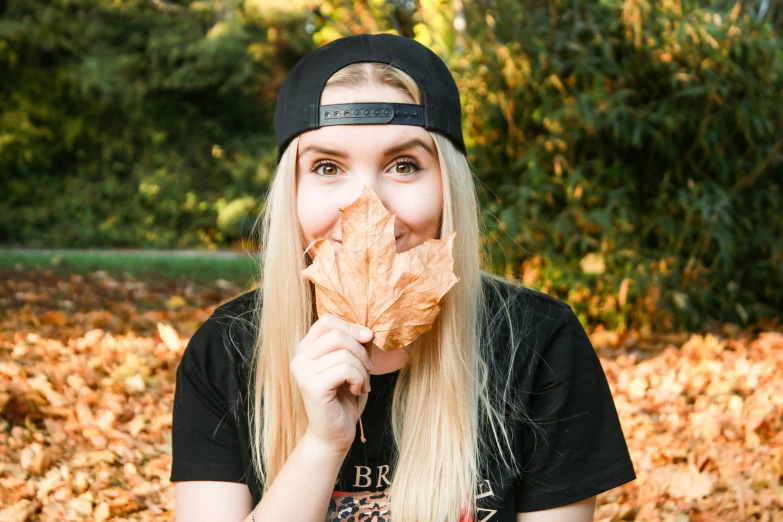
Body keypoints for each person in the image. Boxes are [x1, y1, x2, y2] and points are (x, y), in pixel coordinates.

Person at [170, 33, 636, 522]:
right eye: (327, 167)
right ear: (293, 191)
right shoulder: (225, 350)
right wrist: (322, 447)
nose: (365, 206)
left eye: (404, 165)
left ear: (448, 187)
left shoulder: (540, 341)